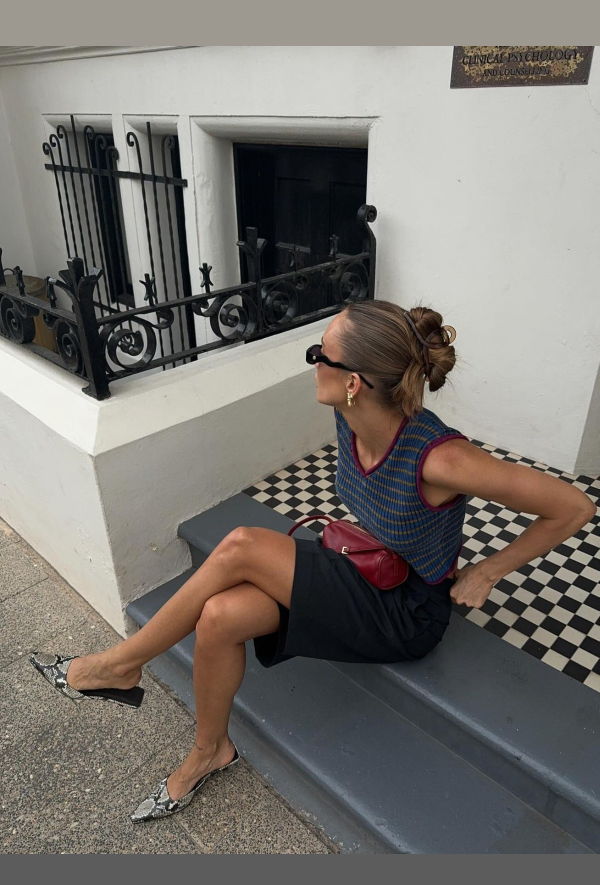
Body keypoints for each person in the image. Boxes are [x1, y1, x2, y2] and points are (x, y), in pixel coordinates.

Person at [30, 300, 596, 823]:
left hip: (404, 609)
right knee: (220, 616)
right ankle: (210, 751)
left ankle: (118, 665)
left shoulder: (442, 458)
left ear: (352, 382)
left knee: (242, 545)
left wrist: (487, 571)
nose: (312, 364)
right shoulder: (348, 417)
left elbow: (574, 507)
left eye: (317, 354)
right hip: (361, 567)